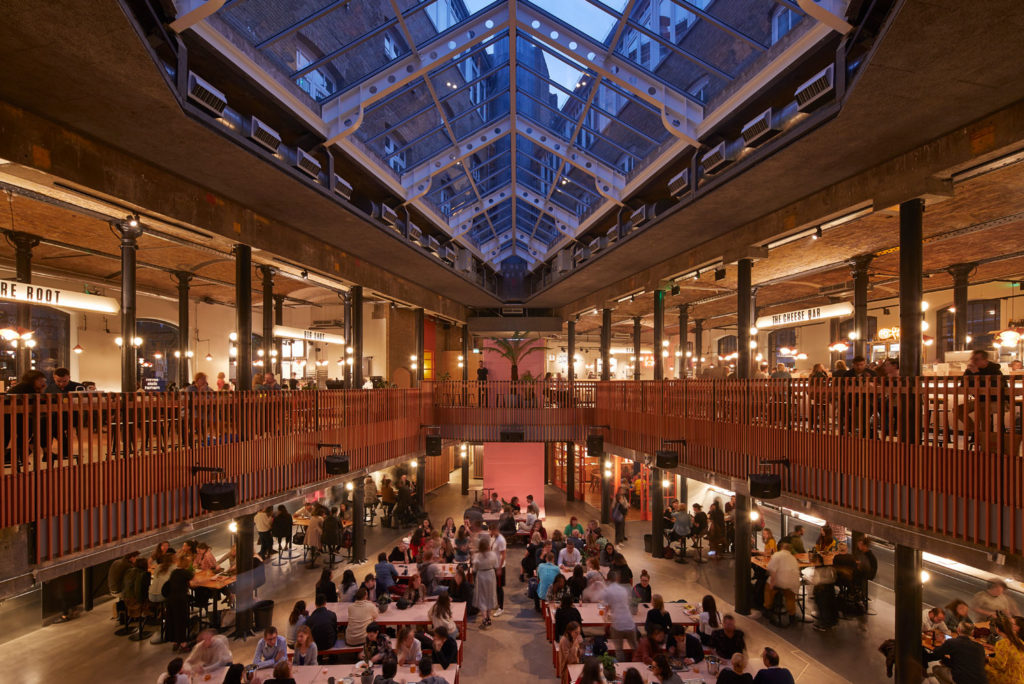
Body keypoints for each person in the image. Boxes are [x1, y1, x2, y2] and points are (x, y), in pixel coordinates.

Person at [602, 572, 638, 661]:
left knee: (619, 650)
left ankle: (622, 667)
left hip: (618, 624)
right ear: (617, 579)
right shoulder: (623, 590)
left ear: (607, 580)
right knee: (635, 647)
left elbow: (607, 607)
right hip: (629, 622)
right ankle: (638, 663)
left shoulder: (608, 590)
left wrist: (605, 618)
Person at [763, 543, 800, 620]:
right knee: (790, 596)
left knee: (768, 589)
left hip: (780, 582)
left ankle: (768, 608)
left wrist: (772, 584)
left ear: (781, 548)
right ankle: (792, 615)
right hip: (793, 584)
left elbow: (772, 570)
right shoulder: (793, 558)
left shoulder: (777, 555)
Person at [164, 554, 193, 652]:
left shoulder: (174, 572)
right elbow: (195, 583)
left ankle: (175, 642)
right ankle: (183, 644)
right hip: (180, 600)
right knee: (181, 620)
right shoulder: (186, 573)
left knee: (173, 620)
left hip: (170, 599)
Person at [986, 611, 1024, 684]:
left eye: (1011, 623)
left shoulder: (1002, 643)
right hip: (1021, 677)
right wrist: (995, 648)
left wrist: (987, 658)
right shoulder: (1020, 641)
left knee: (984, 667)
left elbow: (999, 664)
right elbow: (1013, 653)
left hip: (1009, 679)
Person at [473, 537, 498, 628]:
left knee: (482, 596)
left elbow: (475, 569)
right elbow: (496, 565)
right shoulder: (493, 555)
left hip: (481, 575)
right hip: (490, 574)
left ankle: (484, 617)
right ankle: (489, 616)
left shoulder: (477, 556)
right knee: (490, 595)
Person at [488, 522, 507, 616]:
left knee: (499, 587)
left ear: (495, 530)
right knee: (495, 586)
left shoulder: (501, 540)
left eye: (490, 531)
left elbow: (503, 555)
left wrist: (499, 568)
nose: (489, 532)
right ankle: (497, 604)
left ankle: (501, 608)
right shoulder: (493, 538)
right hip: (494, 566)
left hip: (499, 567)